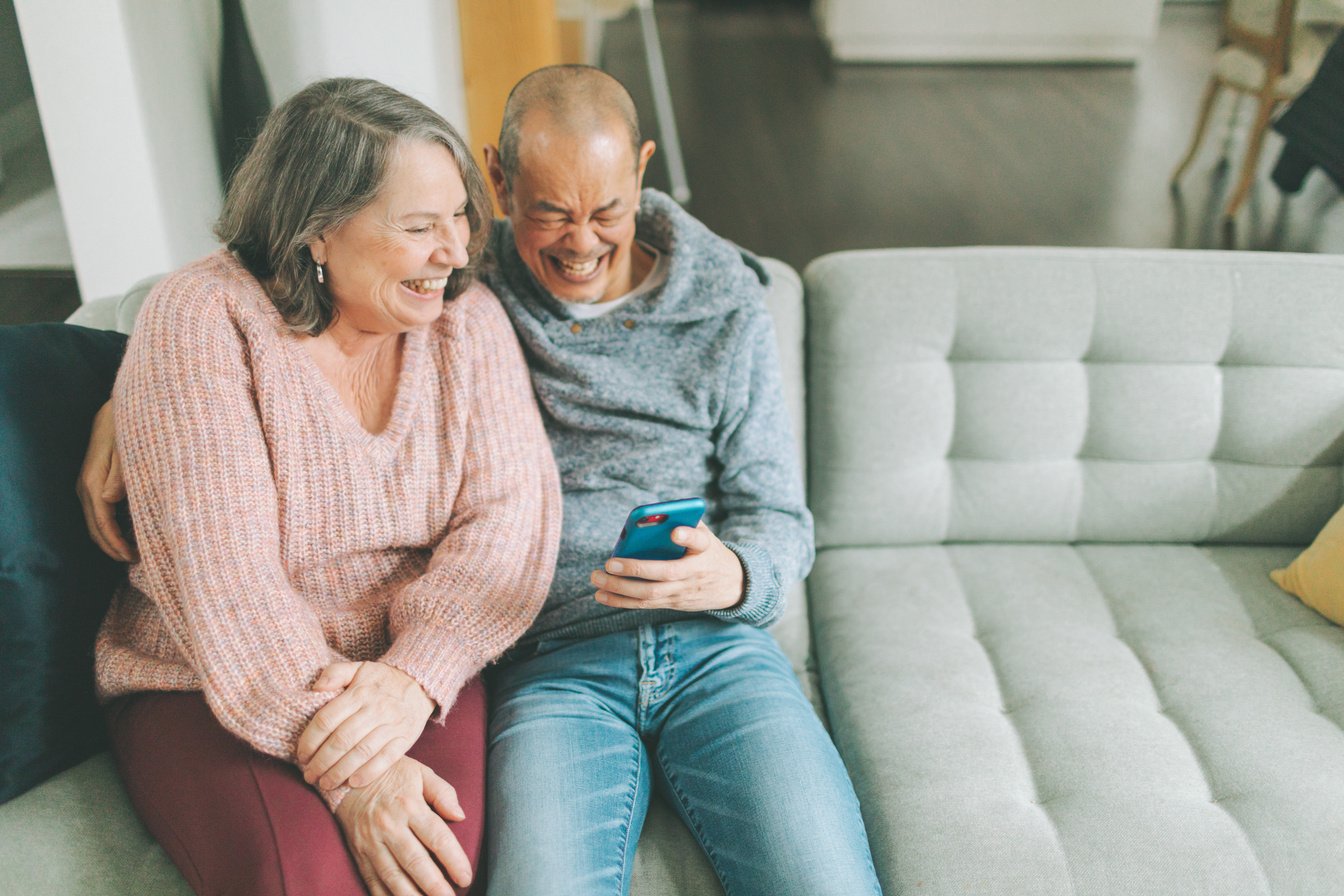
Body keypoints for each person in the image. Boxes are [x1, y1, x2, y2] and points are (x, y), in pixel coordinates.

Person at [80, 66, 881, 896]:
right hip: (513, 655)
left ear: (642, 173)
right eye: (547, 212)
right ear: (500, 181)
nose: (579, 244)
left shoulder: (682, 305)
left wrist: (738, 575)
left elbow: (756, 512)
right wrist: (133, 398)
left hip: (643, 649)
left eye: (607, 211)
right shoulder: (451, 285)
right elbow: (224, 541)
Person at [83, 77, 560, 896]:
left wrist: (416, 676)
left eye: (459, 217)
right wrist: (355, 773)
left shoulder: (467, 320)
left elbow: (509, 520)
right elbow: (223, 579)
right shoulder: (201, 321)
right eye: (419, 227)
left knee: (438, 870)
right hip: (207, 675)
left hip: (406, 669)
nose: (454, 251)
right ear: (318, 235)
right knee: (296, 880)